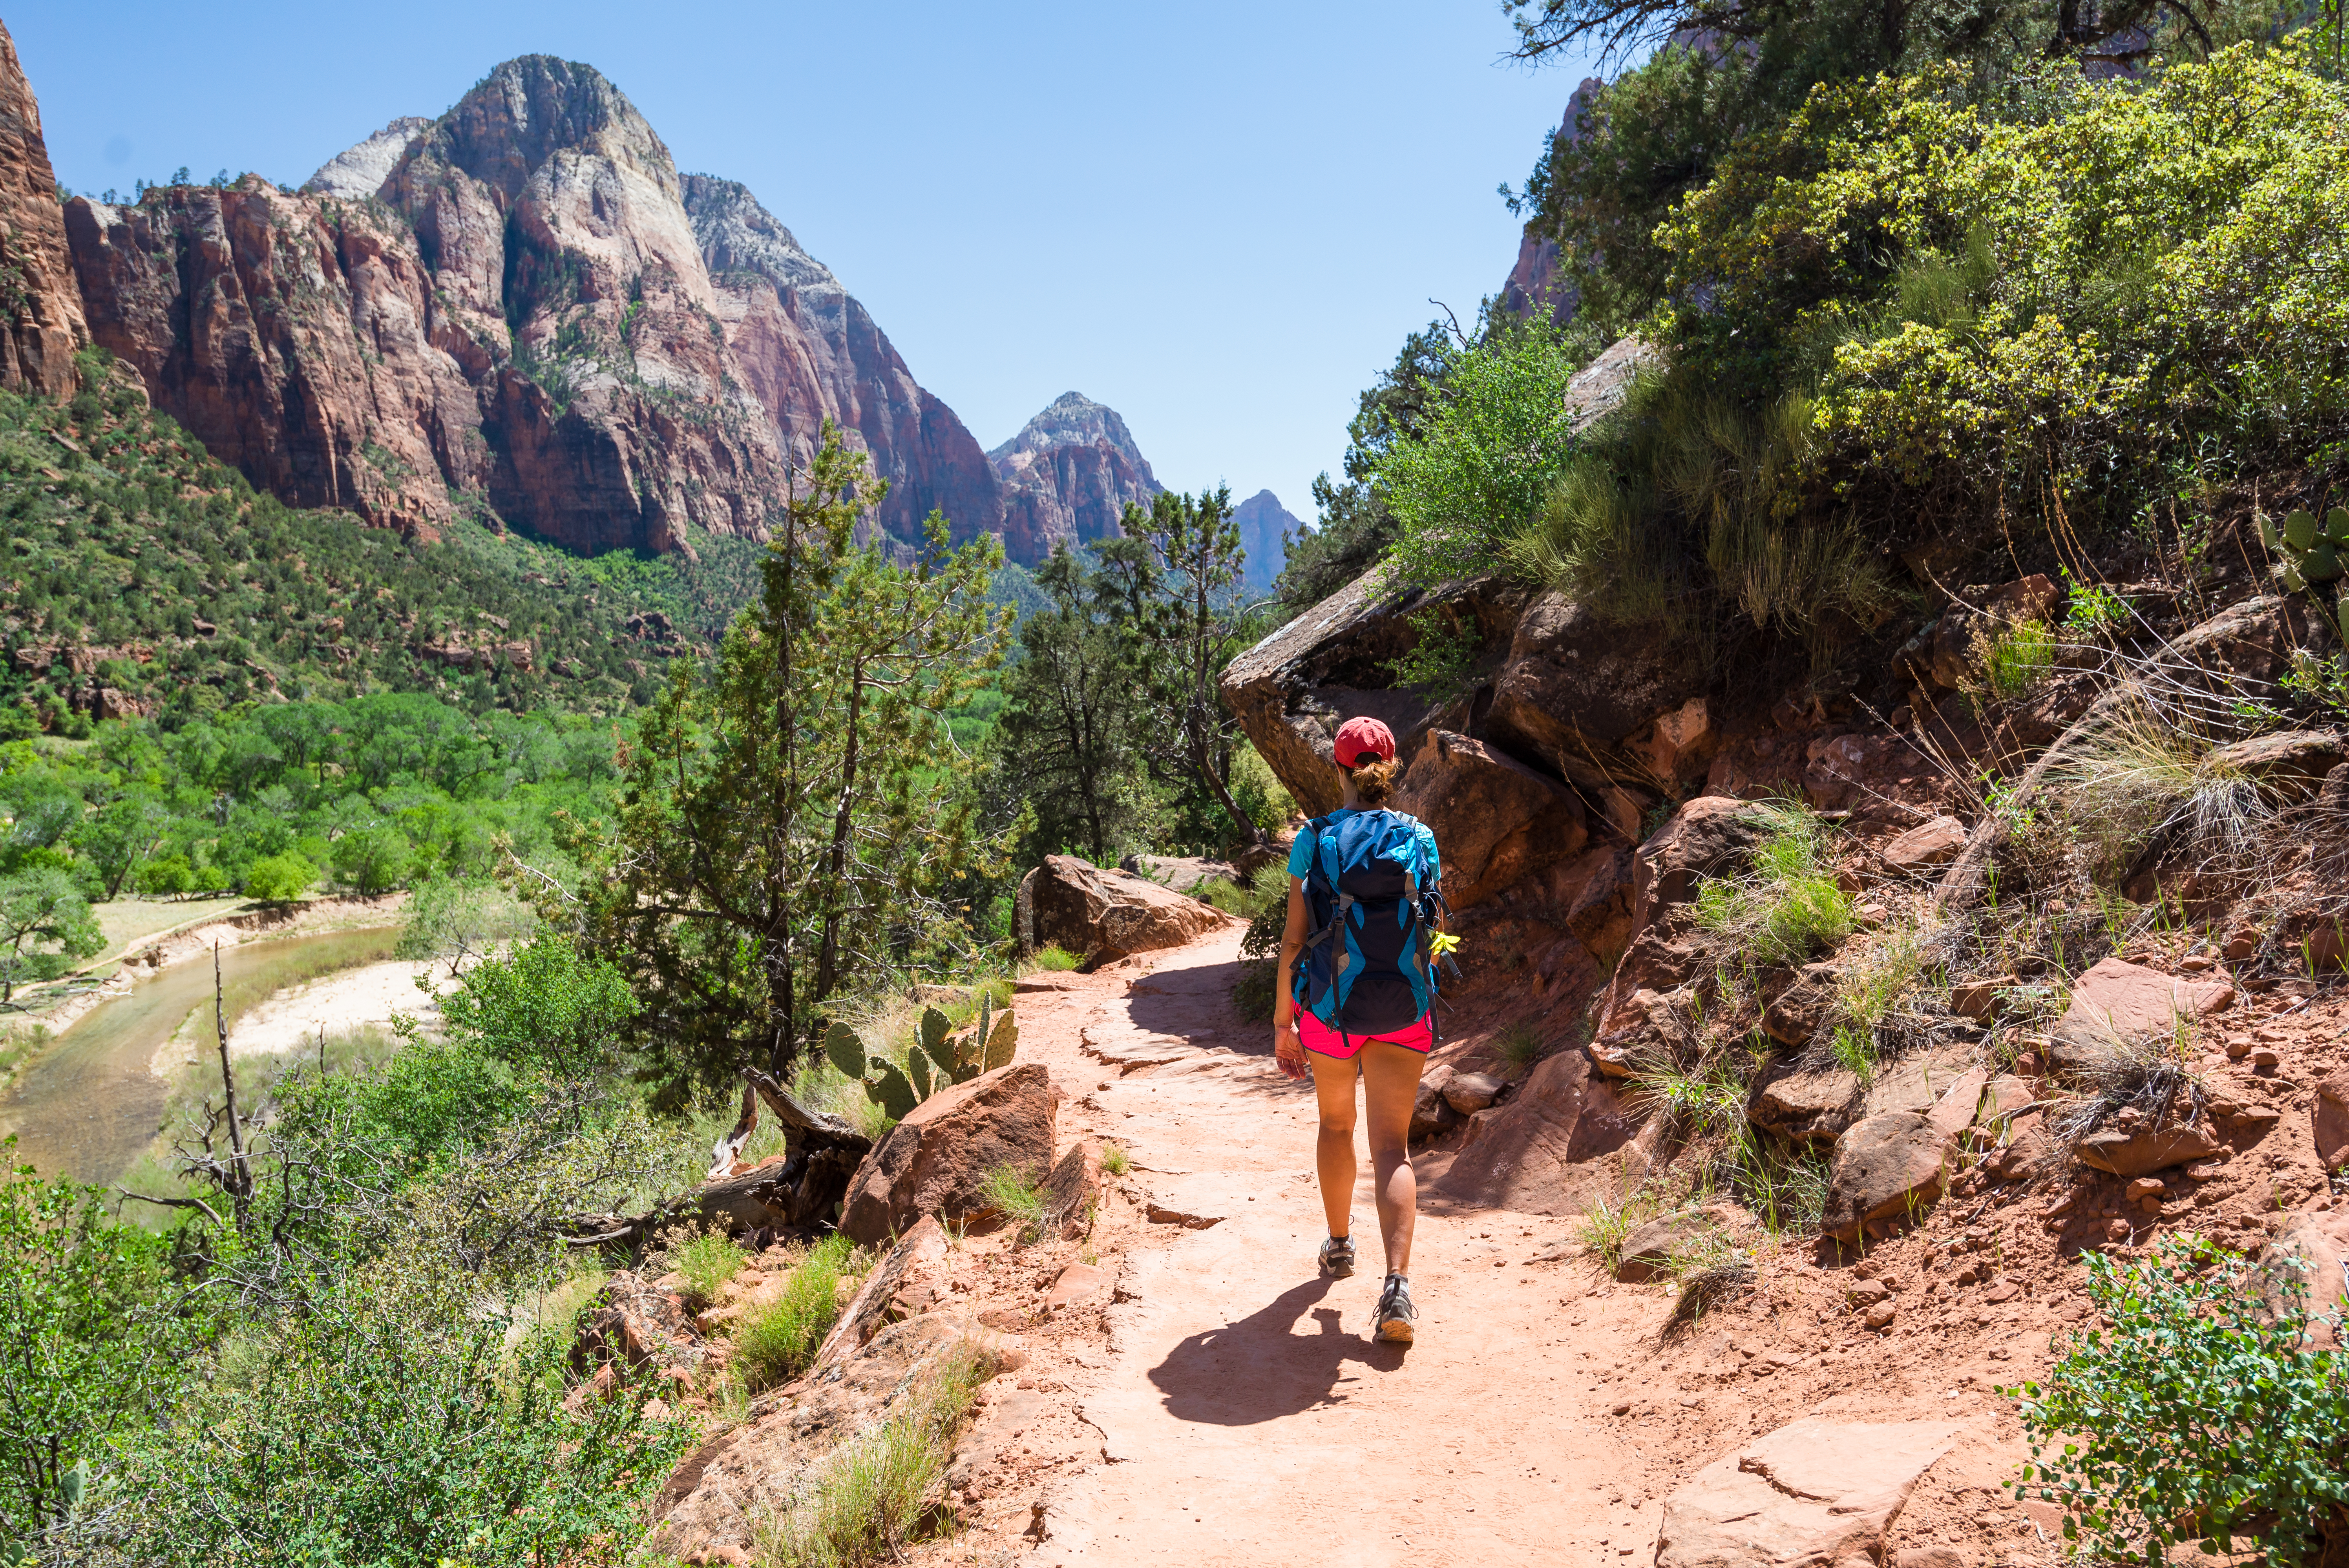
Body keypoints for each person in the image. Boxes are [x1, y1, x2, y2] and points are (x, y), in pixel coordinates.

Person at [1272, 715, 1443, 1343]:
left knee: (1337, 1124)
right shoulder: (1419, 837)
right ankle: (1397, 1289)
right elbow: (1431, 923)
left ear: (1340, 770)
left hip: (1331, 1014)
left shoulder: (1314, 838)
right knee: (1392, 1147)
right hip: (1406, 1008)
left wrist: (1283, 1020)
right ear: (1391, 767)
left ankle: (1340, 1247)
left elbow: (1295, 937)